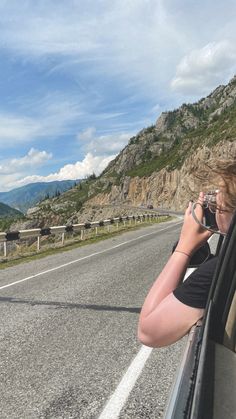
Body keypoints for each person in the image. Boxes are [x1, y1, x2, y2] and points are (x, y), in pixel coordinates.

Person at [138, 159, 236, 348]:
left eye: (218, 200)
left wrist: (184, 246)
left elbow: (148, 332)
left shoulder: (225, 268)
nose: (213, 207)